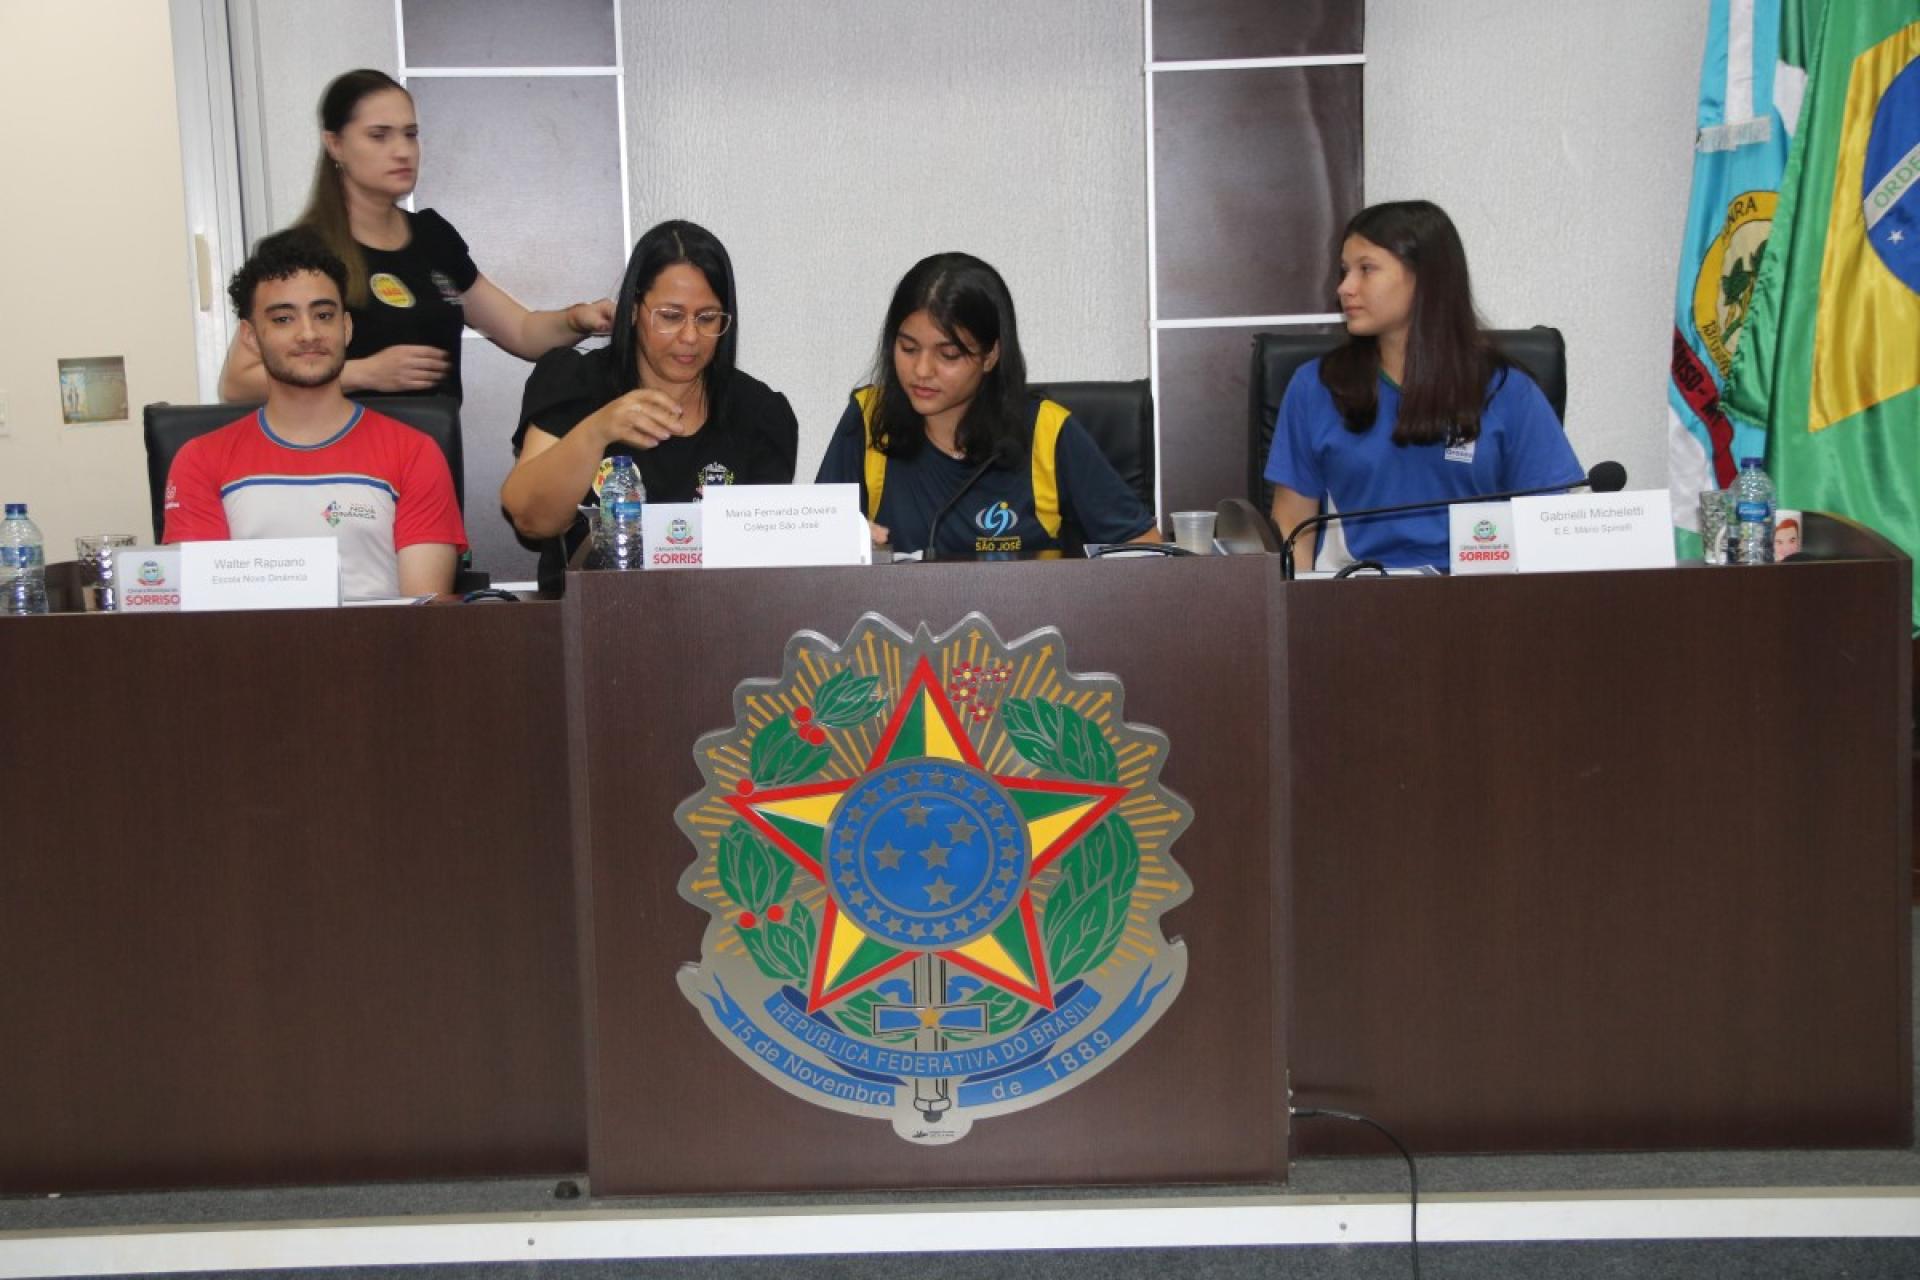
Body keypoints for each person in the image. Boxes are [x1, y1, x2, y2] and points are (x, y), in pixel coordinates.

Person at [217, 69, 612, 403]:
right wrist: (364, 373)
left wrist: (576, 319)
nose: (402, 151)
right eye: (379, 136)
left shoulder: (432, 237)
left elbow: (523, 333)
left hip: (432, 455)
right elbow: (238, 384)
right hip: (344, 460)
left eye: (410, 134)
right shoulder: (300, 252)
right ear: (335, 144)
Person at [1265, 200, 1582, 570]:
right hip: (1355, 594)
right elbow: (1293, 529)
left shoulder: (1508, 391)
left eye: (1366, 269)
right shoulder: (1315, 387)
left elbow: (1549, 528)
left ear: (1426, 278)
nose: (1345, 288)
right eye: (1345, 271)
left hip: (1479, 596)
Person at [165, 230, 466, 599]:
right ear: (251, 337)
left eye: (323, 315)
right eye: (283, 319)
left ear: (346, 327)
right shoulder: (200, 460)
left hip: (380, 638)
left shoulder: (415, 453)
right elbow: (200, 611)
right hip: (249, 639)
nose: (308, 334)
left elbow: (425, 613)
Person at [501, 219, 798, 572]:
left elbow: (765, 558)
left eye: (707, 318)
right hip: (591, 604)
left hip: (717, 604)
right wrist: (597, 431)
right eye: (670, 316)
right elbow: (531, 519)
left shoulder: (759, 413)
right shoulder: (576, 382)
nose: (690, 336)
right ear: (632, 309)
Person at [816, 252, 1158, 556]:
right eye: (908, 348)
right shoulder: (869, 420)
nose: (921, 370)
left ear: (991, 355)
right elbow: (808, 552)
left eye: (948, 354)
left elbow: (1146, 549)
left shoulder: (1047, 432)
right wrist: (845, 546)